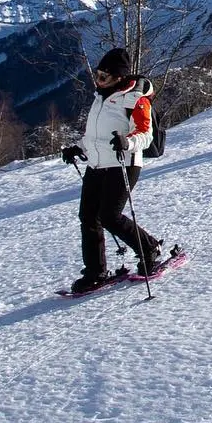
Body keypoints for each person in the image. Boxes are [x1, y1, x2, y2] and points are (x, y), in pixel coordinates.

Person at [61, 47, 161, 293]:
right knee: (88, 217)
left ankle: (149, 249)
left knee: (109, 216)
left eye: (104, 76)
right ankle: (95, 272)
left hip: (123, 163)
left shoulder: (136, 99)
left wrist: (128, 142)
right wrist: (79, 148)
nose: (98, 80)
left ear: (119, 77)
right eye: (97, 74)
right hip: (96, 164)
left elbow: (145, 134)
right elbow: (95, 135)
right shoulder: (101, 97)